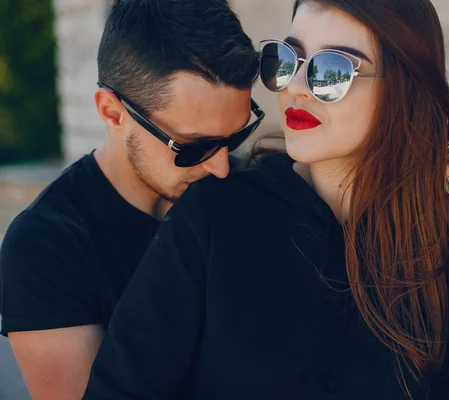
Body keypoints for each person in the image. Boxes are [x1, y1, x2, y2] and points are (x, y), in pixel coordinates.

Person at [83, 0, 449, 399]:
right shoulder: (217, 215)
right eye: (287, 58)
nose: (295, 86)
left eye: (332, 70)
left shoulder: (432, 243)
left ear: (403, 89)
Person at [0, 1, 263, 399]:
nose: (223, 167)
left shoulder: (247, 193)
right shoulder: (44, 248)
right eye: (194, 147)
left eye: (236, 136)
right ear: (112, 112)